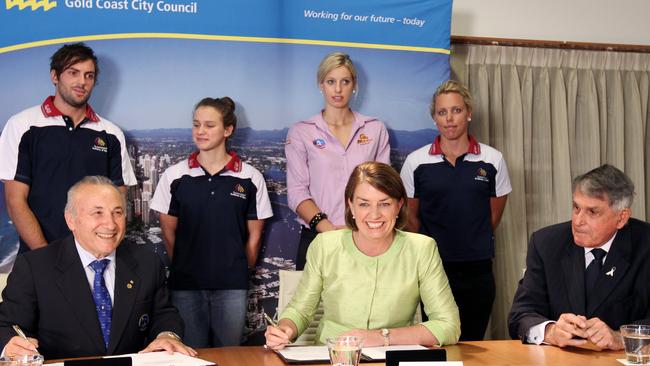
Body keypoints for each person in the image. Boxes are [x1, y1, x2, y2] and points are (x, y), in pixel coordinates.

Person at [265, 162, 460, 349]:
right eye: (364, 204)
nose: (374, 215)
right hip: (333, 358)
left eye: (384, 204)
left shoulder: (422, 249)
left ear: (399, 205)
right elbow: (300, 311)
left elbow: (448, 325)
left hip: (391, 358)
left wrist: (379, 337)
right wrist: (285, 329)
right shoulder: (324, 246)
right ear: (351, 205)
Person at [0, 176, 194, 359]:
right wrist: (8, 344)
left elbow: (163, 314)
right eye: (97, 213)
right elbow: (6, 325)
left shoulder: (147, 263)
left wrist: (167, 334)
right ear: (71, 220)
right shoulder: (35, 267)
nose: (110, 224)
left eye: (117, 213)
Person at [150, 97, 273, 348]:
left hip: (232, 288)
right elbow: (168, 232)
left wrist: (235, 270)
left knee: (230, 354)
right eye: (196, 125)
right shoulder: (174, 175)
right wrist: (186, 265)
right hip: (185, 286)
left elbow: (255, 237)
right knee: (191, 354)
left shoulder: (251, 177)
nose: (200, 132)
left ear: (228, 130)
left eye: (209, 125)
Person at [400, 80, 512, 341]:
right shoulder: (416, 162)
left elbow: (493, 216)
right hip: (433, 270)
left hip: (478, 270)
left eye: (456, 110)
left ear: (469, 113)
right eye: (442, 112)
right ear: (434, 117)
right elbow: (411, 219)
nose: (449, 119)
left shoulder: (492, 159)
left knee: (474, 344)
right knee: (438, 341)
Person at [0, 42, 136, 253]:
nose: (82, 82)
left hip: (96, 260)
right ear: (55, 76)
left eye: (89, 76)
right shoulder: (22, 125)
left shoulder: (111, 134)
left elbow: (117, 201)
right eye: (73, 73)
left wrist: (99, 251)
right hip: (39, 261)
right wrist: (46, 260)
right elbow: (15, 201)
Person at [508, 164, 650, 351]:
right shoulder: (546, 243)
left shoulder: (645, 245)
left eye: (592, 212)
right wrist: (551, 331)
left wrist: (620, 337)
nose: (578, 221)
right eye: (576, 207)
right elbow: (521, 314)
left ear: (622, 217)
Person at [285, 52, 391, 270]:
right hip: (318, 236)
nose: (338, 89)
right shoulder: (301, 131)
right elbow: (296, 192)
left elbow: (385, 188)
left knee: (365, 304)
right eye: (331, 81)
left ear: (354, 85)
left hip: (365, 237)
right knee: (312, 305)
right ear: (320, 85)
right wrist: (327, 229)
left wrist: (357, 229)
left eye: (345, 81)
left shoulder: (375, 128)